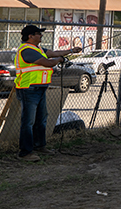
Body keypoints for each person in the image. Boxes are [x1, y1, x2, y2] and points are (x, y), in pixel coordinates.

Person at [15, 24, 82, 162]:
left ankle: (40, 146)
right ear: (30, 36)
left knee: (41, 119)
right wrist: (59, 60)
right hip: (28, 89)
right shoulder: (27, 50)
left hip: (39, 88)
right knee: (28, 122)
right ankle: (25, 152)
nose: (41, 35)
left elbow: (53, 53)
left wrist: (70, 51)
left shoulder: (37, 48)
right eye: (38, 33)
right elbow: (47, 62)